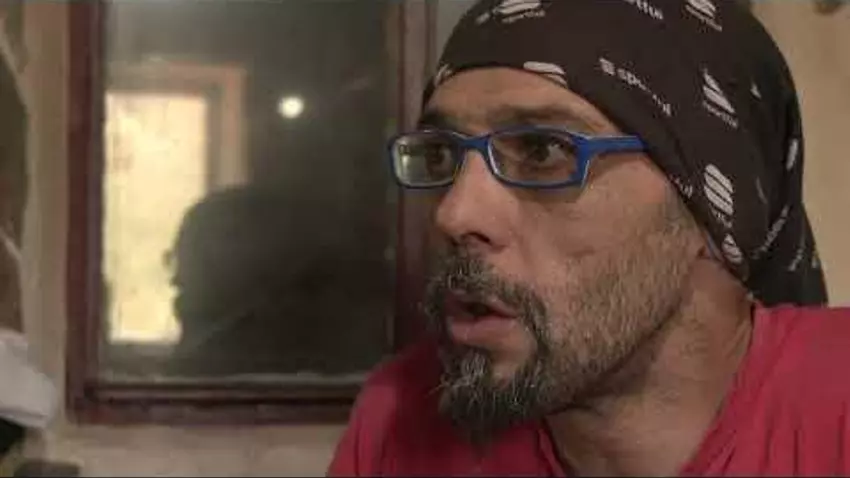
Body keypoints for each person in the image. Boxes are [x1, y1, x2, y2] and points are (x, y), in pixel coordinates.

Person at [328, 0, 849, 475]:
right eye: (442, 155)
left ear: (712, 210)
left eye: (542, 151)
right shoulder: (399, 417)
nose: (454, 214)